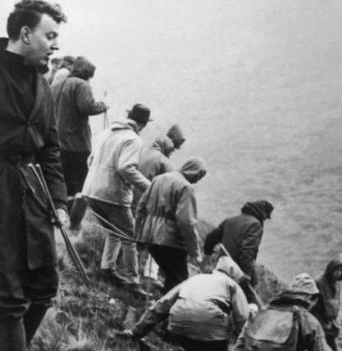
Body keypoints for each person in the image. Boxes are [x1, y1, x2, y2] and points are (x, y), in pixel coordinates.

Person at [0, 0, 69, 351]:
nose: (54, 44)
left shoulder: (42, 82)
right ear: (25, 34)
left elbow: (53, 149)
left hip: (34, 191)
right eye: (50, 35)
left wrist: (59, 203)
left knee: (44, 285)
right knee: (8, 292)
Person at [81, 103, 152, 291]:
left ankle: (107, 268)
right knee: (129, 235)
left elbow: (90, 160)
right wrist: (149, 187)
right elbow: (125, 167)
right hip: (112, 195)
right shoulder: (133, 139)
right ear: (143, 124)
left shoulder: (105, 133)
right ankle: (132, 280)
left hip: (91, 191)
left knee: (114, 231)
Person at [133, 157, 207, 292]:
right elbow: (186, 222)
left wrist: (137, 234)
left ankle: (163, 306)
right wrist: (194, 252)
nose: (197, 180)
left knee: (172, 275)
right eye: (199, 176)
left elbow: (141, 207)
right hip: (169, 240)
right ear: (194, 172)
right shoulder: (186, 187)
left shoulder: (158, 179)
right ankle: (167, 310)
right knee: (179, 279)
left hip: (150, 237)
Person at [51, 55, 106, 221]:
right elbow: (86, 107)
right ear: (87, 74)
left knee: (62, 183)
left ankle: (61, 217)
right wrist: (104, 105)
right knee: (80, 187)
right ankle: (74, 224)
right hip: (76, 145)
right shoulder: (81, 85)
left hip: (56, 143)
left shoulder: (56, 84)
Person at [202, 200, 273, 297]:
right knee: (248, 300)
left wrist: (208, 251)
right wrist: (247, 274)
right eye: (266, 216)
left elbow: (211, 238)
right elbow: (247, 251)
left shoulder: (230, 220)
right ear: (263, 213)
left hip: (223, 265)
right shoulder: (255, 225)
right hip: (238, 270)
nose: (265, 220)